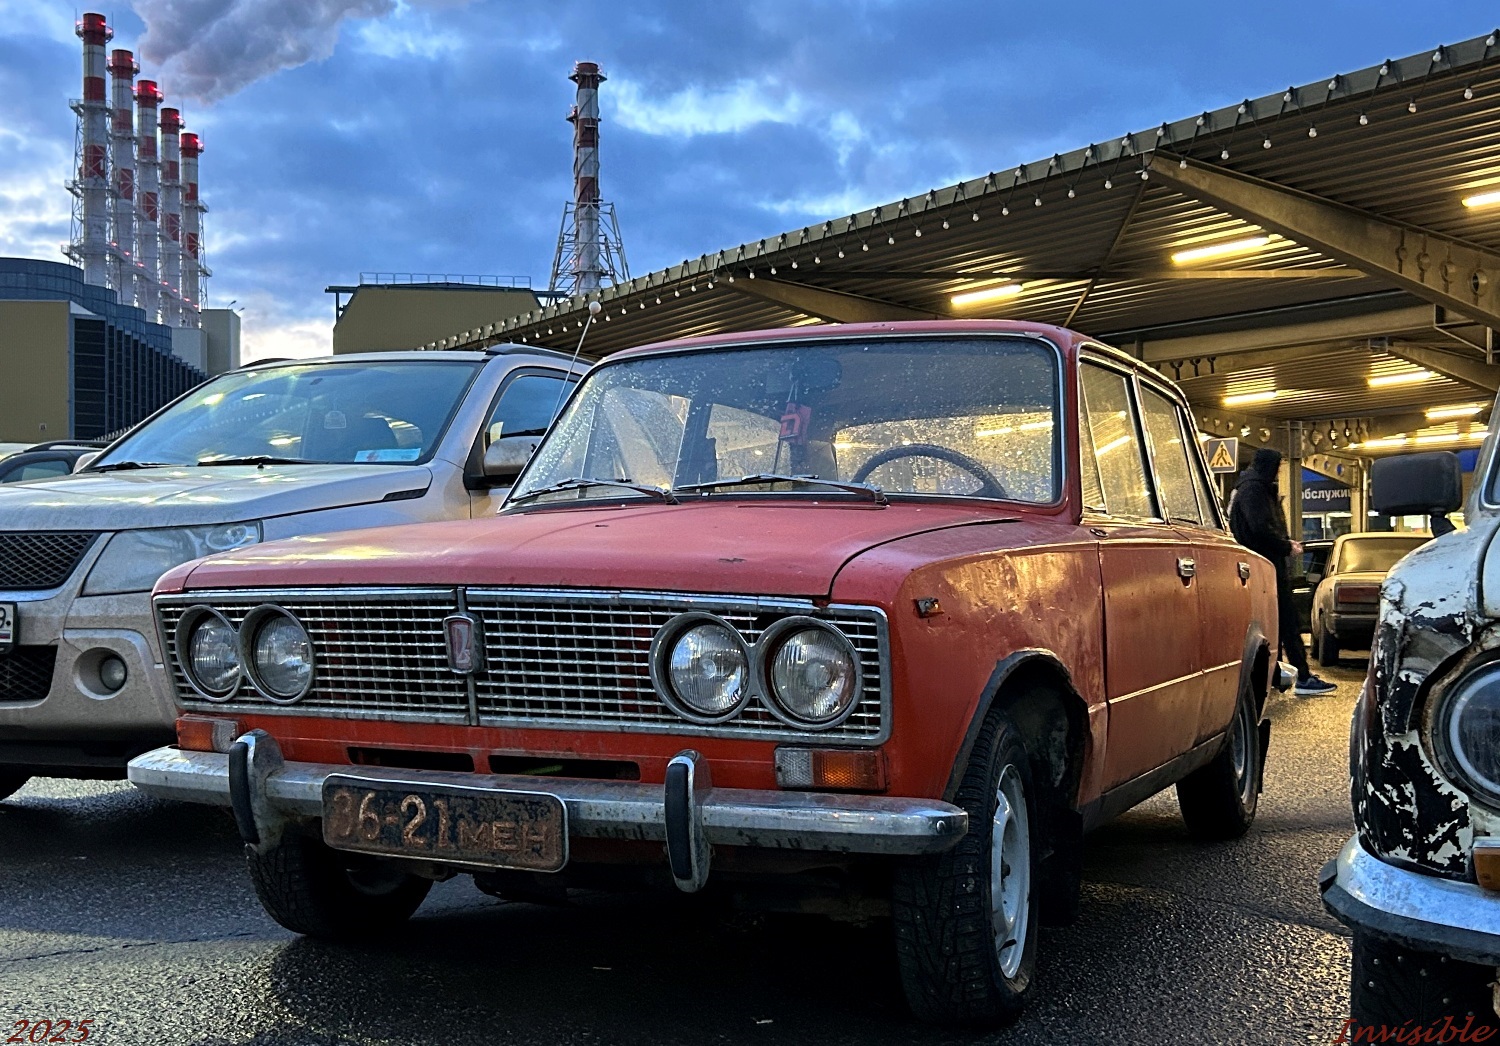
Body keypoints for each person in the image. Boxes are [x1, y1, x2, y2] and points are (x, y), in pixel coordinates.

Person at [1228, 448, 1337, 696]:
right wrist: (1285, 545)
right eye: (1277, 467)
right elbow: (1259, 527)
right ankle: (1302, 677)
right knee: (1286, 622)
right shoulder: (1255, 490)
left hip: (1256, 566)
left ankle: (1280, 675)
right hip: (1266, 566)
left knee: (1275, 625)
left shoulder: (1248, 488)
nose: (1278, 472)